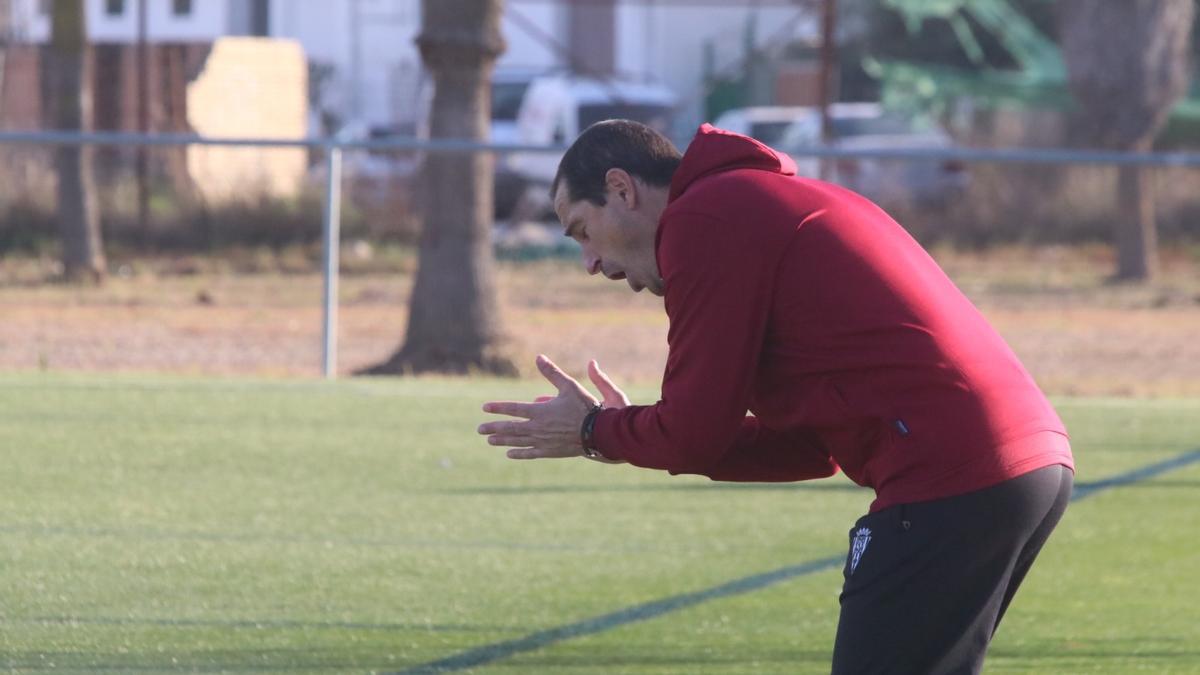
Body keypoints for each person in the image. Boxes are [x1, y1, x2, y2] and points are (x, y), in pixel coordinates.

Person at [477, 119, 1074, 674]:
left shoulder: (704, 218)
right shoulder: (749, 204)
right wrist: (618, 433)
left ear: (621, 188)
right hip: (1026, 465)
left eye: (583, 230)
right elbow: (808, 451)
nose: (589, 263)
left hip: (951, 474)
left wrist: (595, 432)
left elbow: (692, 434)